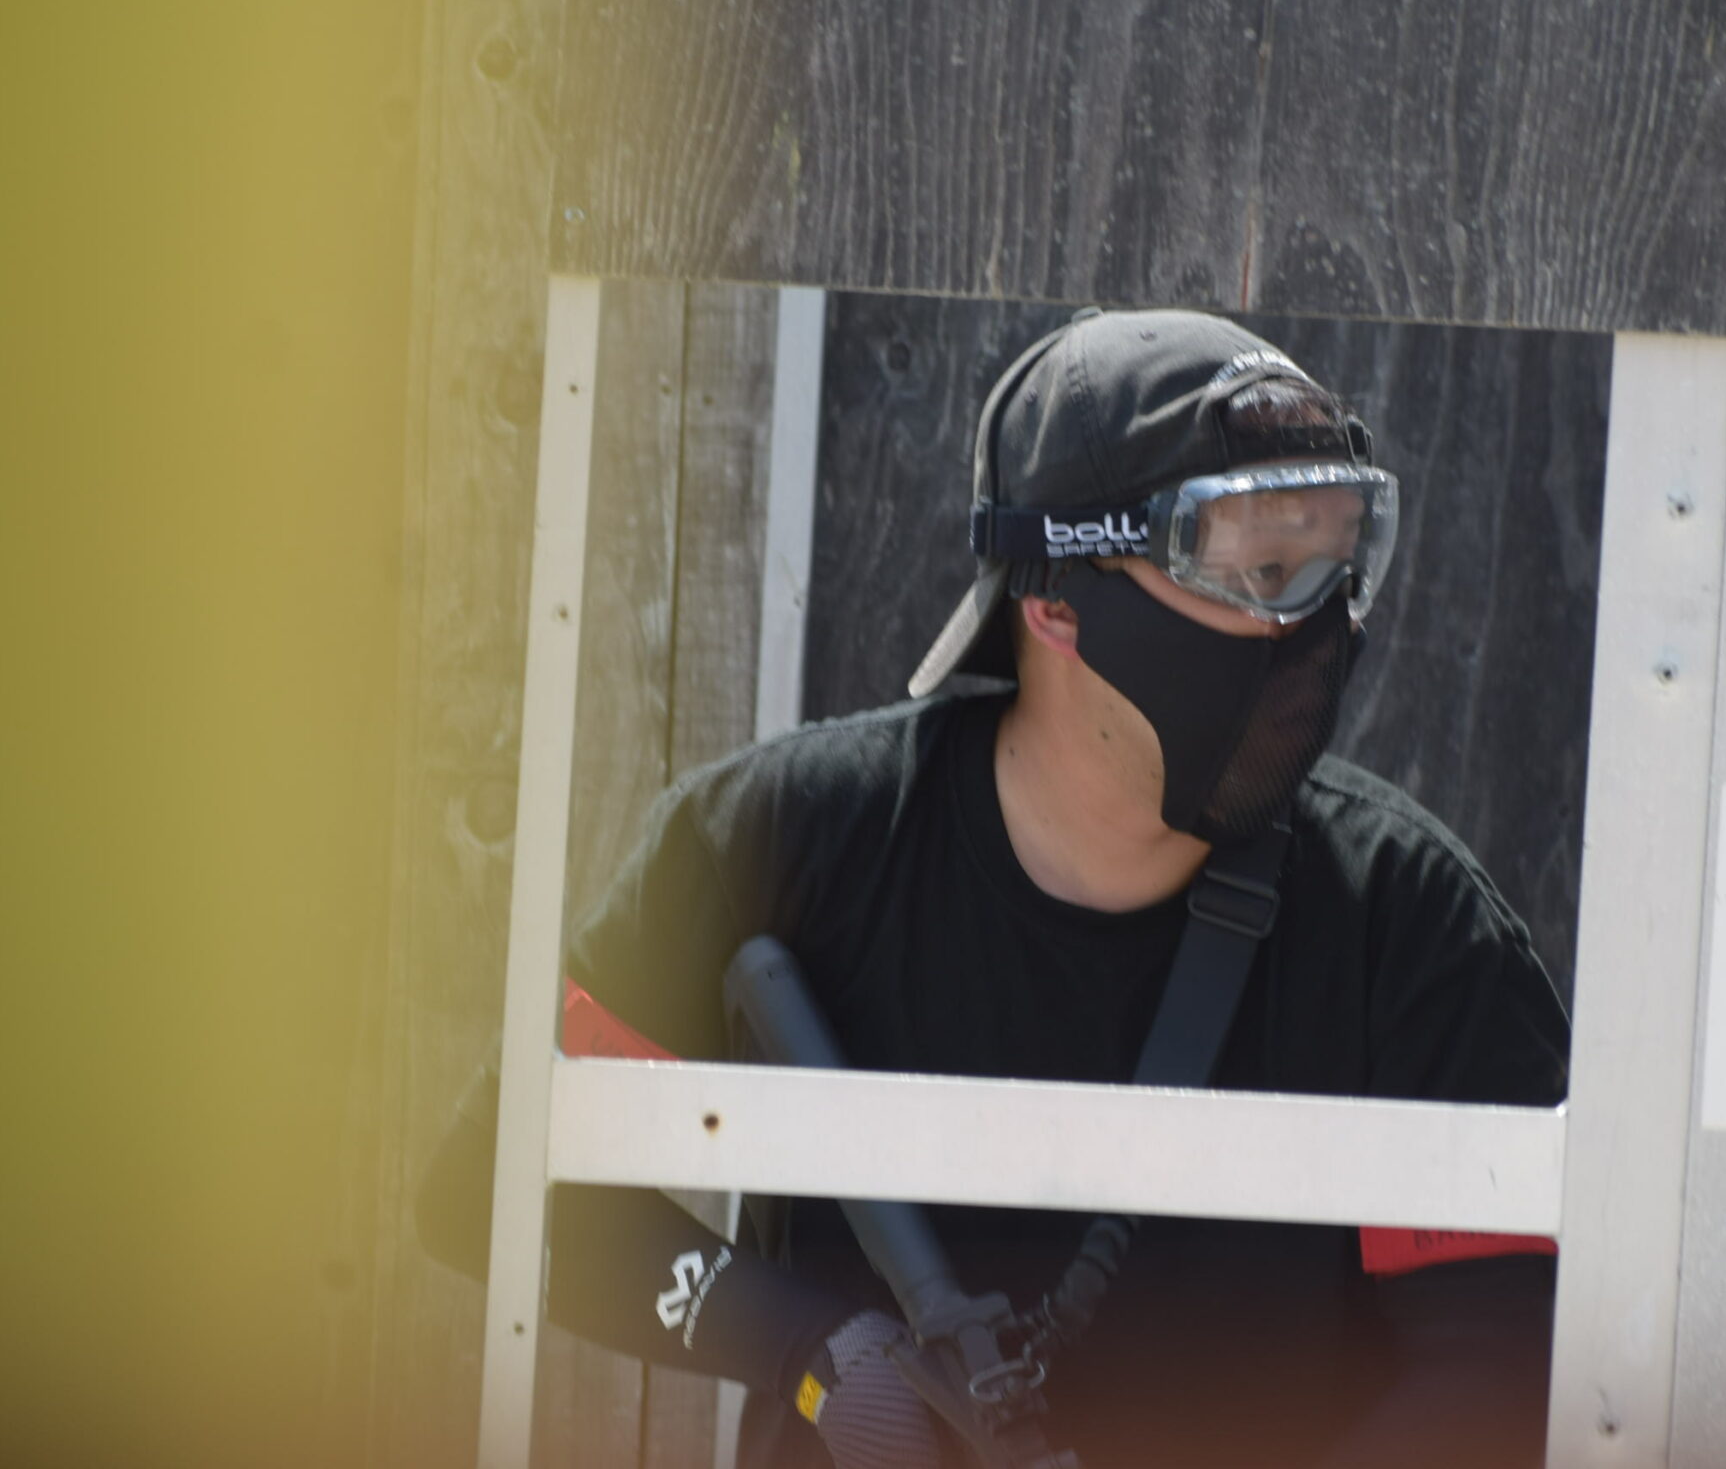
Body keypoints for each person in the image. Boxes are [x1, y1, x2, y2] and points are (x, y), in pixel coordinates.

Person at [420, 308, 1571, 1469]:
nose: (1307, 621)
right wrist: (815, 1351)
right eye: (1262, 570)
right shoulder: (777, 843)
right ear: (1058, 603)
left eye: (1335, 562)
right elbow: (493, 1187)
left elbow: (1503, 1360)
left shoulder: (1414, 925)